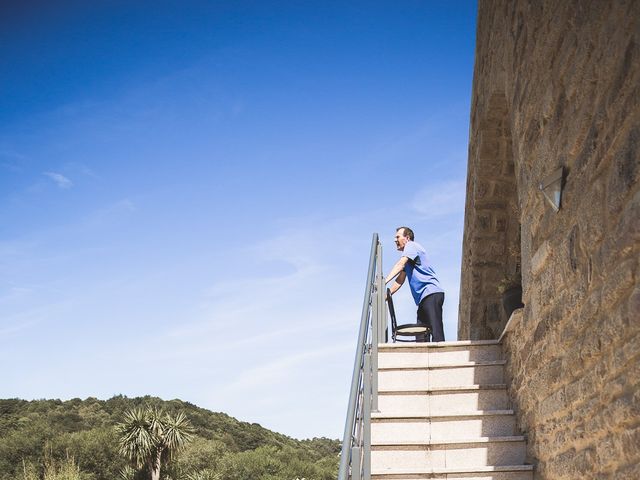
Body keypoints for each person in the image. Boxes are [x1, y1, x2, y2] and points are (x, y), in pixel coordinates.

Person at [385, 226, 445, 342]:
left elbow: (400, 264)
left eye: (398, 236)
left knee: (436, 332)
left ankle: (441, 358)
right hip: (423, 299)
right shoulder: (409, 258)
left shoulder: (411, 246)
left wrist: (384, 281)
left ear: (407, 238)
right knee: (421, 336)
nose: (395, 240)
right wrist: (387, 295)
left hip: (431, 293)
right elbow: (400, 280)